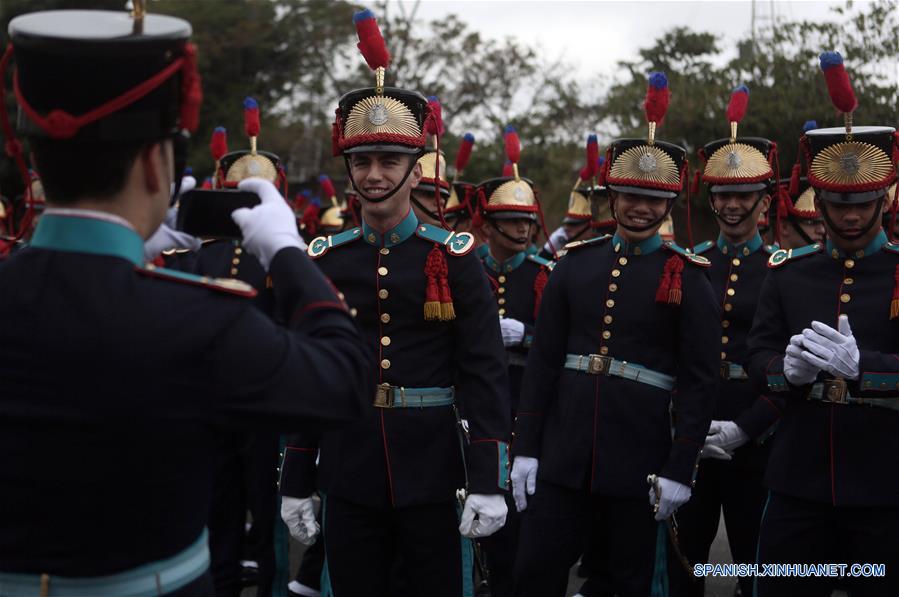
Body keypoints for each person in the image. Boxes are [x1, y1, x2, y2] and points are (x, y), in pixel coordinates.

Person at [0, 6, 370, 596]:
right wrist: (286, 252)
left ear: (37, 158)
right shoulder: (199, 319)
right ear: (157, 164)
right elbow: (343, 379)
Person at [278, 10, 510, 597]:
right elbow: (310, 378)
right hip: (348, 466)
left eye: (389, 161)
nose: (375, 175)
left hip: (433, 468)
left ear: (414, 169)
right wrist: (297, 474)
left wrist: (488, 478)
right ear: (349, 169)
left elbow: (483, 373)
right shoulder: (325, 260)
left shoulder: (455, 260)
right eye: (362, 161)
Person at [510, 72, 718, 597]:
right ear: (612, 196)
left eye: (654, 198)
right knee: (533, 572)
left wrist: (682, 466)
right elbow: (543, 364)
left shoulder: (688, 277)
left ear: (669, 203)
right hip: (562, 455)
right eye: (630, 195)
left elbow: (699, 382)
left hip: (640, 462)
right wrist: (526, 447)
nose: (641, 207)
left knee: (625, 582)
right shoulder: (574, 265)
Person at [748, 51, 899, 597]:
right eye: (837, 204)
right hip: (800, 479)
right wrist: (783, 372)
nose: (851, 216)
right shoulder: (789, 273)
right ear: (820, 204)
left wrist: (867, 369)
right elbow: (757, 352)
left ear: (884, 200)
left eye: (862, 203)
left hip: (885, 482)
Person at [671, 85, 783, 597]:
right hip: (690, 429)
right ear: (710, 198)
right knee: (685, 559)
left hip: (756, 431)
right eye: (722, 195)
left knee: (758, 562)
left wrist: (747, 427)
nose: (733, 205)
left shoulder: (783, 270)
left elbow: (789, 368)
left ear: (765, 202)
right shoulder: (689, 264)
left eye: (744, 195)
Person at [474, 126, 554, 597]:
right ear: (488, 226)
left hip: (525, 402)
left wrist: (527, 336)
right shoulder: (468, 268)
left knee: (523, 509)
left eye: (527, 221)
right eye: (511, 221)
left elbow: (563, 341)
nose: (523, 229)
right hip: (476, 401)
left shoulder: (545, 275)